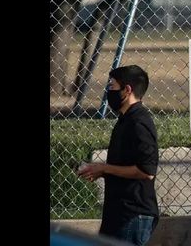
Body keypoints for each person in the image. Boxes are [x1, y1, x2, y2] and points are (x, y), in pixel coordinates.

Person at [77, 65, 159, 246]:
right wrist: (102, 171)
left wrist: (105, 168)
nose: (109, 91)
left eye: (112, 86)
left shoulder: (139, 123)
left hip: (132, 215)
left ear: (127, 90)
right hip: (119, 213)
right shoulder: (126, 120)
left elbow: (147, 170)